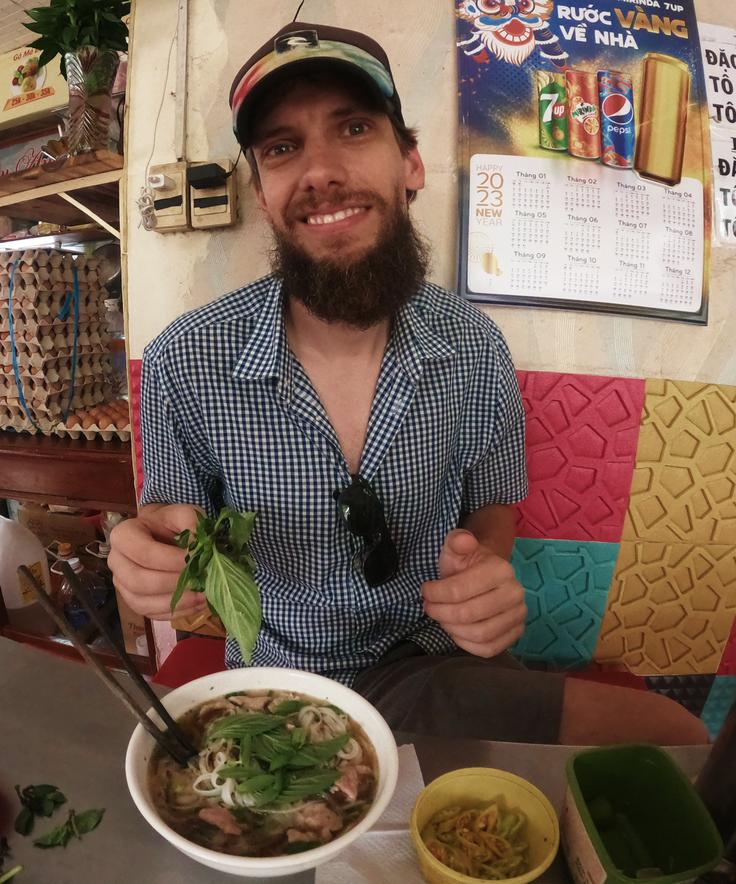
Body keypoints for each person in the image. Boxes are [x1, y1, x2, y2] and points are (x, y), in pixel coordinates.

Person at [109, 21, 707, 746]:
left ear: (411, 165)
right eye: (281, 147)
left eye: (354, 127)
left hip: (429, 663)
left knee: (672, 731)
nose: (320, 170)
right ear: (264, 196)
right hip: (277, 687)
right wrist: (149, 562)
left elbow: (493, 506)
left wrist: (482, 578)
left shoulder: (475, 347)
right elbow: (172, 527)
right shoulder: (185, 360)